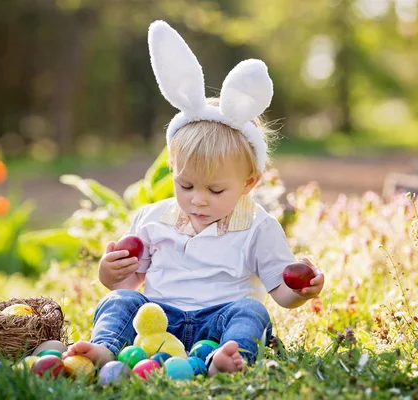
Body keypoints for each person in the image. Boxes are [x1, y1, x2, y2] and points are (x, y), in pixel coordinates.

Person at [64, 20, 325, 376]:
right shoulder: (152, 219)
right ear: (172, 168)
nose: (198, 200)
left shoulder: (258, 227)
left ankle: (228, 359)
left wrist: (304, 291)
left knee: (252, 313)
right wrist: (110, 275)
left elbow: (281, 293)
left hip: (218, 322)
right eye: (185, 186)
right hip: (156, 323)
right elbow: (129, 284)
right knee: (120, 302)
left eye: (216, 191)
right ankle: (106, 349)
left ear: (249, 183)